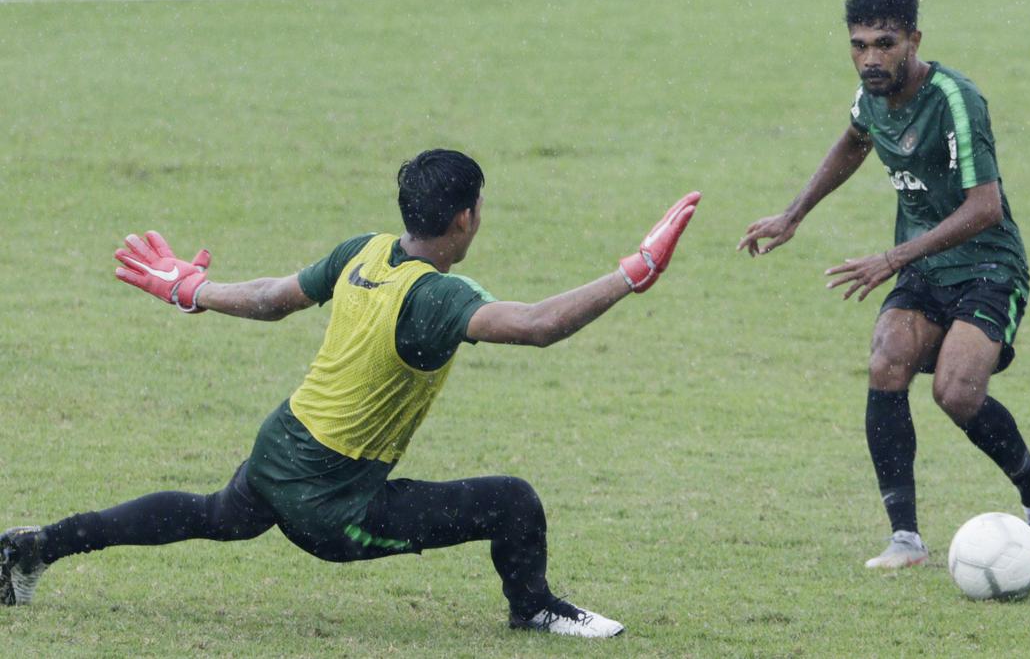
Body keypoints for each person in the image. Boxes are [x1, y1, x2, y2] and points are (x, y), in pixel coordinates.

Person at [1, 149, 700, 638]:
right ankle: (535, 610)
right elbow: (537, 326)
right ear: (463, 219)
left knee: (213, 513)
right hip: (330, 505)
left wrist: (192, 290)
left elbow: (274, 298)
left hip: (281, 448)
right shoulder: (433, 298)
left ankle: (34, 547)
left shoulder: (364, 250)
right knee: (510, 502)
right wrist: (634, 272)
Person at [737, 0, 1030, 569]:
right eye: (859, 45)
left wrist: (891, 259)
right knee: (886, 357)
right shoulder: (870, 97)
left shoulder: (955, 100)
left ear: (913, 40)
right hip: (925, 265)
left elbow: (985, 206)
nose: (870, 58)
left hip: (989, 265)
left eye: (884, 44)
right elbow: (853, 141)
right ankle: (905, 540)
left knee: (956, 392)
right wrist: (793, 215)